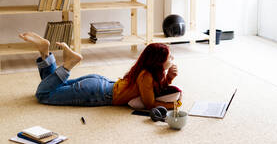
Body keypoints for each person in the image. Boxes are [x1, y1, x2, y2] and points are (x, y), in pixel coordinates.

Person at [19, 32, 181, 110]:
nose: (172, 59)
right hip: (97, 93)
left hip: (99, 83)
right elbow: (150, 103)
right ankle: (69, 64)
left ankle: (45, 53)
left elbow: (152, 92)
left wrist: (169, 78)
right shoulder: (146, 76)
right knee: (43, 95)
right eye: (170, 57)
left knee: (54, 86)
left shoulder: (145, 72)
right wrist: (173, 105)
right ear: (158, 62)